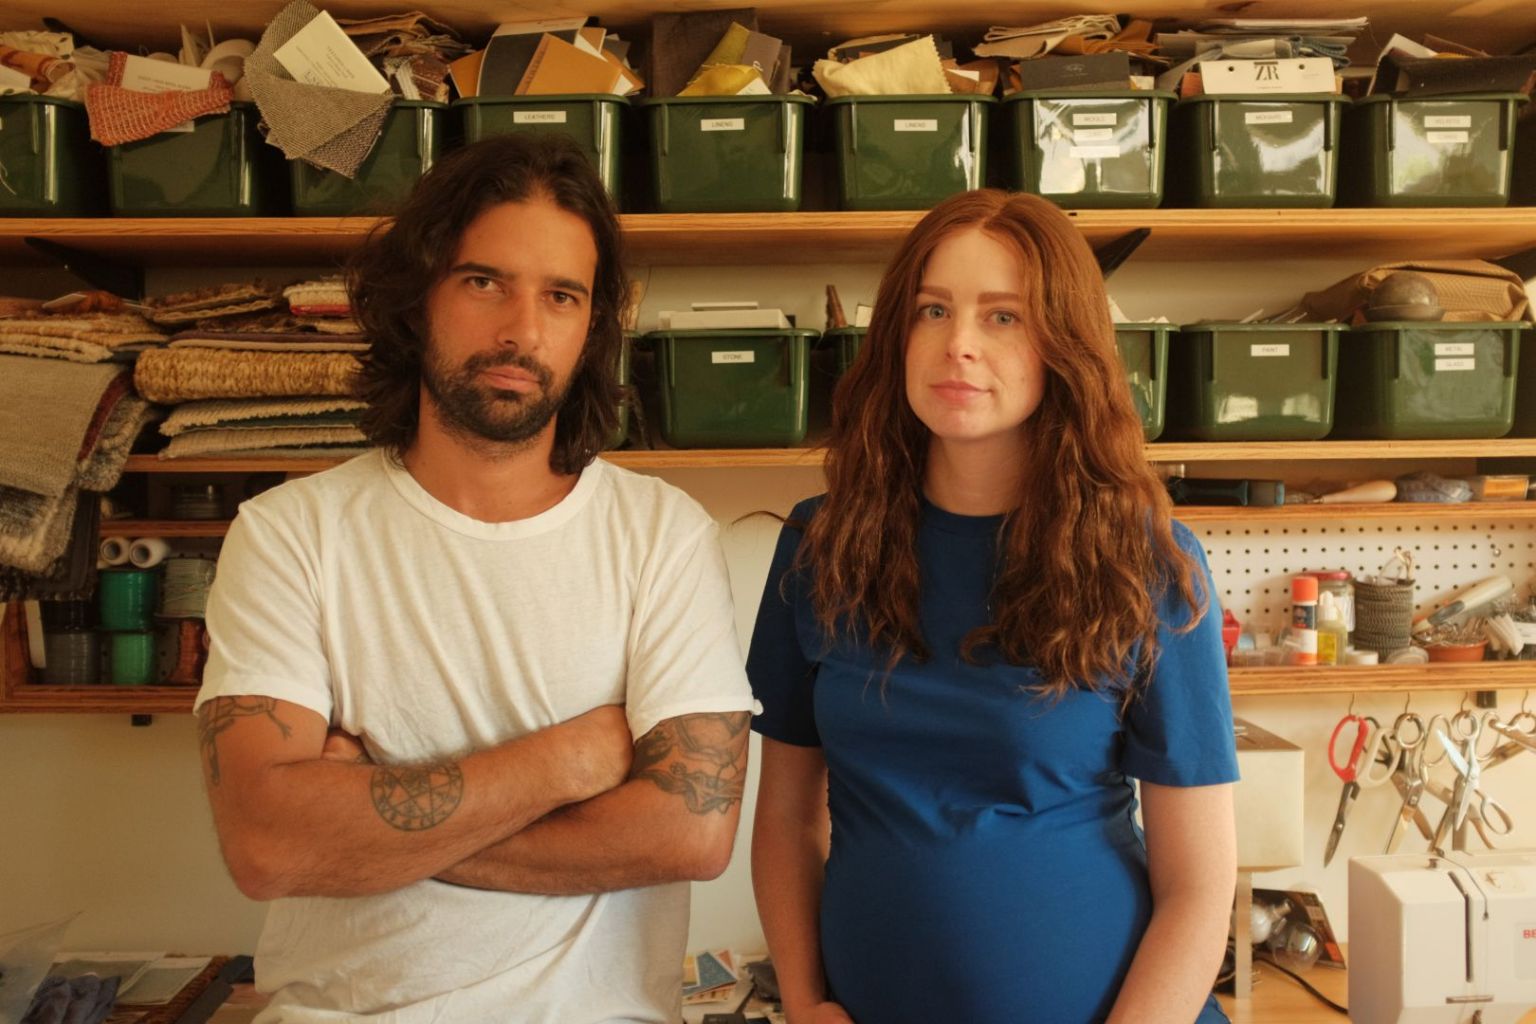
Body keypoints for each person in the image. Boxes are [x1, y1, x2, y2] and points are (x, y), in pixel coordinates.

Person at [194, 134, 758, 1024]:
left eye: (561, 296)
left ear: (591, 327)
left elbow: (689, 834)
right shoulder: (288, 534)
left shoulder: (662, 535)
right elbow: (267, 844)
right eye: (484, 281)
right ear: (417, 296)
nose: (522, 331)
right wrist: (570, 761)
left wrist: (369, 827)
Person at [747, 189, 1238, 1024]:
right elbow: (787, 820)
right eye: (932, 310)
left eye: (1003, 316)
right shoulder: (821, 545)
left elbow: (1198, 885)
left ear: (1063, 346)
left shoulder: (1148, 561)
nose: (959, 344)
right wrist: (804, 1001)